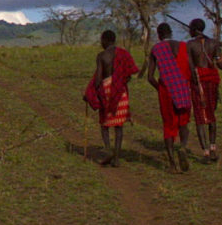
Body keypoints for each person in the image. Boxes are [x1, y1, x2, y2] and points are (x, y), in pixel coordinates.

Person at [146, 22, 198, 172]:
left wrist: (160, 89)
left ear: (159, 35)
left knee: (169, 126)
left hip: (166, 91)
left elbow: (150, 77)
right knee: (183, 122)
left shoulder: (156, 49)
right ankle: (182, 147)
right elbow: (192, 70)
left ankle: (172, 164)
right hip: (182, 88)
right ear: (171, 33)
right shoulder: (183, 46)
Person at [83, 29, 139, 167]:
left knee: (104, 123)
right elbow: (129, 74)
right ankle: (117, 158)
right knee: (119, 126)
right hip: (121, 91)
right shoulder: (124, 54)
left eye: (102, 40)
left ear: (106, 40)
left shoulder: (102, 56)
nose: (101, 43)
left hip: (107, 91)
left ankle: (108, 149)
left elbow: (98, 79)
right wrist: (119, 82)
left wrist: (90, 94)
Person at [187, 17, 222, 162]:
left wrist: (194, 83)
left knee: (200, 117)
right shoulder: (213, 43)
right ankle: (213, 148)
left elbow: (191, 67)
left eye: (190, 28)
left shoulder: (190, 45)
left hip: (199, 82)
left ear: (194, 30)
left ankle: (206, 152)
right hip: (213, 82)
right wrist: (218, 50)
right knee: (211, 113)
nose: (189, 31)